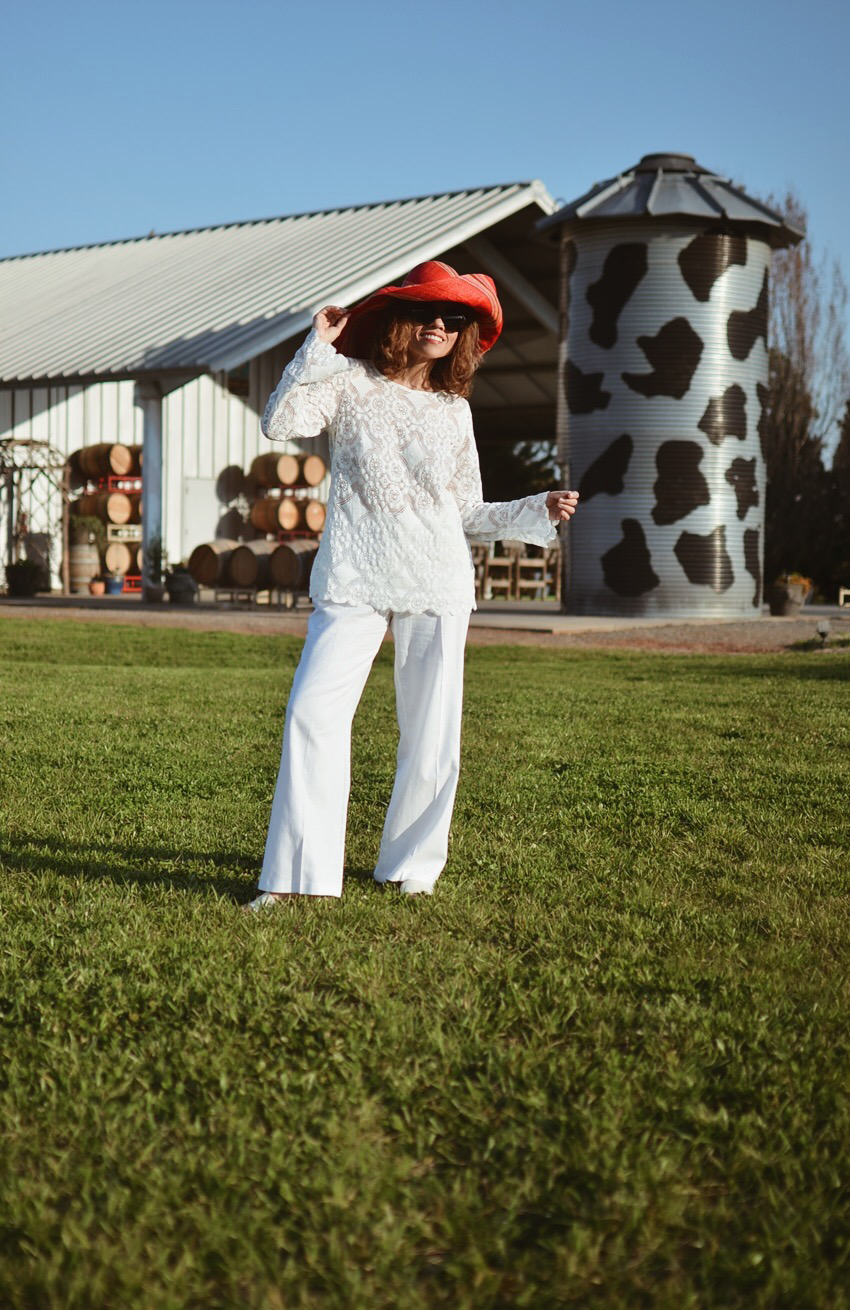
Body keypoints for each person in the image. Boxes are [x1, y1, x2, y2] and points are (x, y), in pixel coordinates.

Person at [244, 261, 578, 909]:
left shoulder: (455, 413)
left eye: (455, 319)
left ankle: (411, 867)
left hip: (436, 576)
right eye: (428, 312)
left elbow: (466, 512)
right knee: (312, 714)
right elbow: (279, 422)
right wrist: (317, 344)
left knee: (432, 727)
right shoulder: (348, 382)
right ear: (400, 320)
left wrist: (536, 508)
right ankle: (297, 879)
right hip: (356, 572)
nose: (440, 326)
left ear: (465, 336)